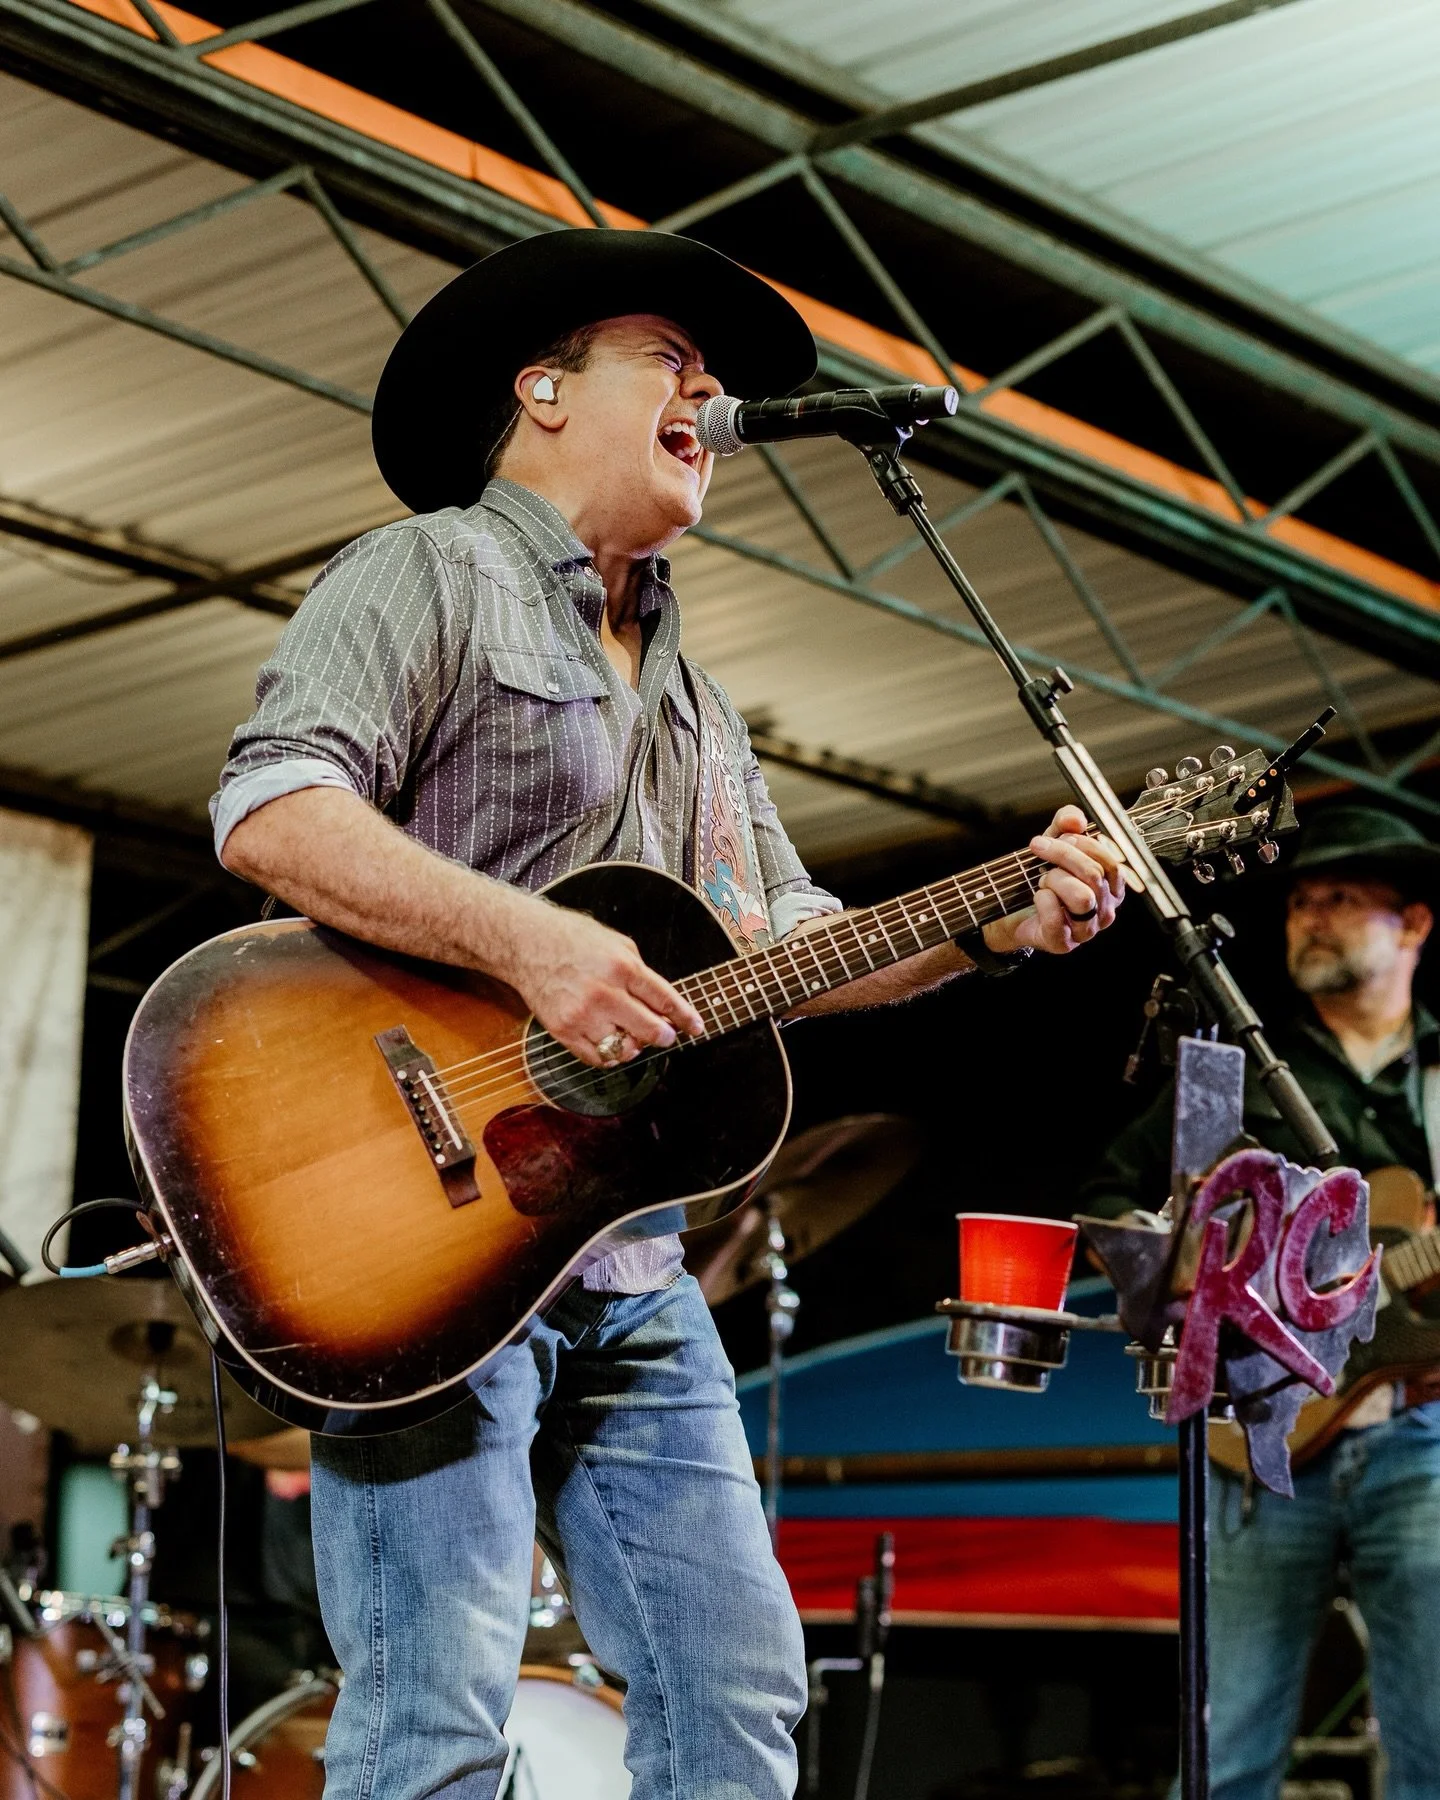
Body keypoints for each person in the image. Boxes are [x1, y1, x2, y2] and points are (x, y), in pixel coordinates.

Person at [212, 227, 1127, 1800]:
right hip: (418, 1238)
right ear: (545, 391)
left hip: (626, 1257)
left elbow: (792, 942)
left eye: (709, 375)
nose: (708, 391)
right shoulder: (429, 568)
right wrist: (534, 947)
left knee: (737, 1688)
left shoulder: (697, 696)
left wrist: (995, 919)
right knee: (432, 1722)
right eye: (671, 360)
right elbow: (272, 807)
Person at [1080, 804, 1440, 1800]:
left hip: (1422, 1433)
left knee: (1437, 1745)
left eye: (1342, 900)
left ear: (1413, 925)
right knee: (1225, 1749)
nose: (1311, 917)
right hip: (1257, 1431)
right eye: (1301, 900)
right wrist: (1197, 1282)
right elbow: (1108, 1197)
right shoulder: (1241, 1068)